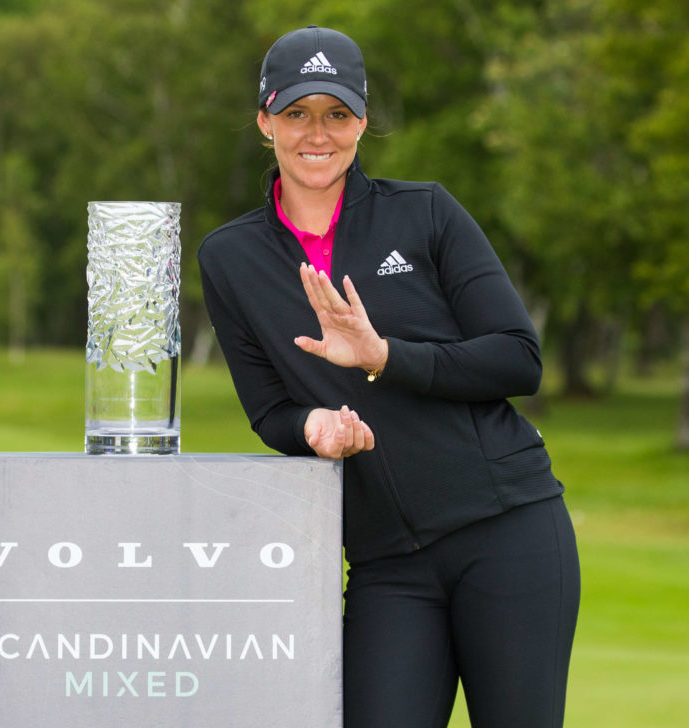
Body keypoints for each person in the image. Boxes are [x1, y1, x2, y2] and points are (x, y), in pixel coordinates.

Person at [197, 25, 580, 728]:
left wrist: (385, 357)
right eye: (297, 113)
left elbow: (518, 358)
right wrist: (313, 428)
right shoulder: (230, 258)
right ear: (264, 121)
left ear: (363, 121)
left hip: (508, 532)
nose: (319, 134)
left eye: (337, 114)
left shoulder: (426, 212)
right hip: (384, 564)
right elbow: (270, 410)